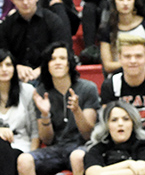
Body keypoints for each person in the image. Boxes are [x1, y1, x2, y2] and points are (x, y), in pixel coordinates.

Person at [18, 41, 100, 175]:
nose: (57, 62)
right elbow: (47, 140)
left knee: (77, 156)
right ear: (47, 65)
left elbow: (88, 134)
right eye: (52, 59)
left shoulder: (88, 88)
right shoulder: (41, 92)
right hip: (56, 149)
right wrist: (45, 114)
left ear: (70, 63)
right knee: (24, 159)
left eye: (62, 58)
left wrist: (77, 111)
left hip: (82, 147)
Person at [99, 36, 145, 161]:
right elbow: (108, 125)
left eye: (138, 56)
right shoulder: (110, 85)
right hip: (118, 140)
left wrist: (134, 144)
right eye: (127, 56)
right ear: (120, 58)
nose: (133, 61)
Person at [0, 0, 72, 83]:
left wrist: (42, 69)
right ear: (12, 0)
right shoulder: (6, 25)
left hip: (49, 74)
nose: (25, 2)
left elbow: (64, 51)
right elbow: (2, 53)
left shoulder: (53, 21)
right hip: (16, 76)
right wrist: (16, 67)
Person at [80, 101, 145, 175]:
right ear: (107, 125)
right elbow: (91, 173)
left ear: (133, 124)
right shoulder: (98, 149)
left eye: (126, 119)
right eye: (114, 120)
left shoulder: (144, 145)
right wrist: (128, 164)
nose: (120, 124)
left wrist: (102, 172)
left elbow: (144, 171)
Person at [99, 0, 145, 76]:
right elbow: (107, 65)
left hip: (144, 73)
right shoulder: (107, 29)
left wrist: (141, 73)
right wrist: (131, 65)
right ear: (114, 2)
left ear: (134, 1)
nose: (125, 3)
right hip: (118, 74)